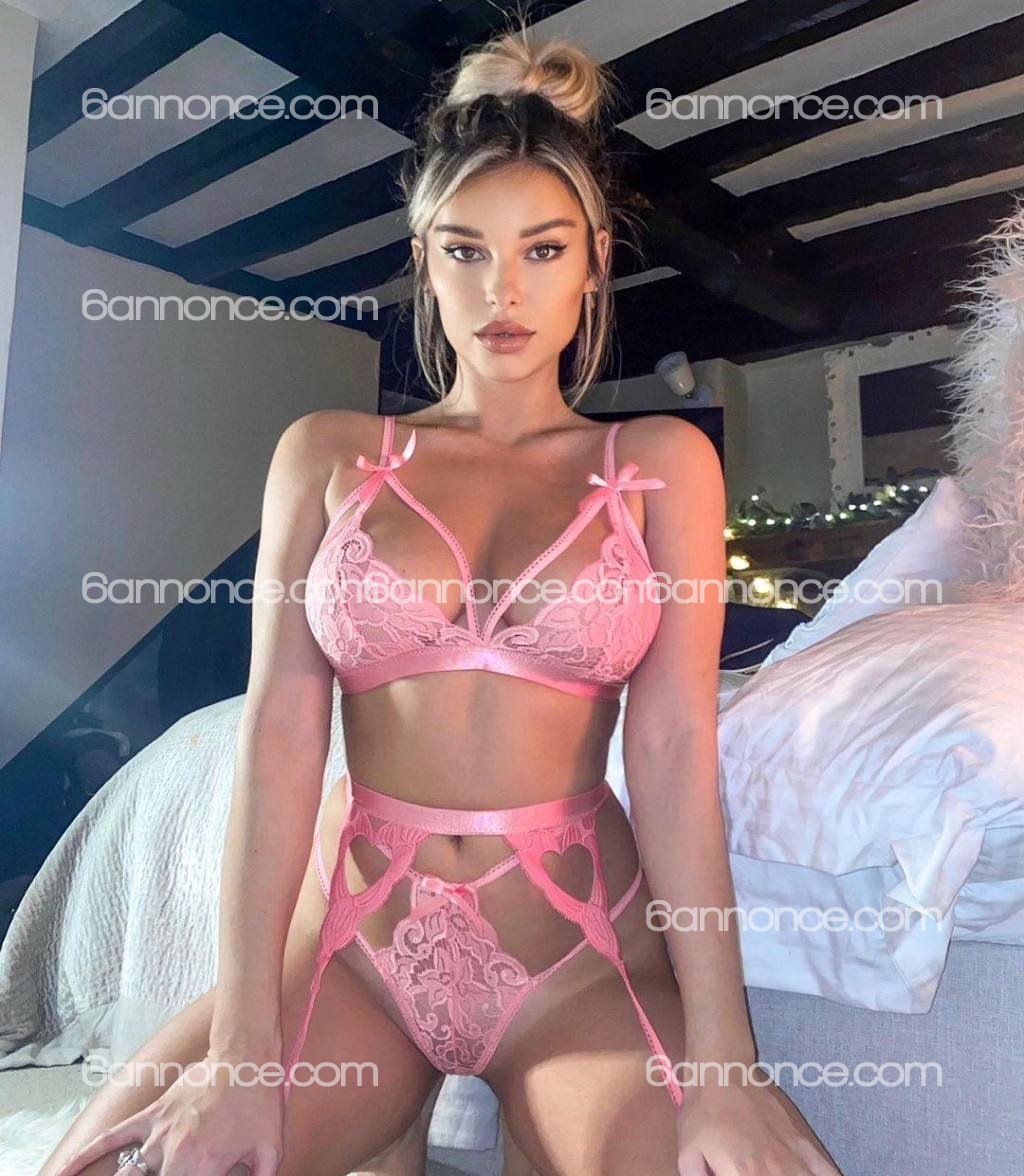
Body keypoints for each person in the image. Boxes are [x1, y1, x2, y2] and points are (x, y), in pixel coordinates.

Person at [44, 24, 840, 1176]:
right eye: (465, 251)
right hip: (351, 955)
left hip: (576, 964)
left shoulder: (663, 463)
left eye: (541, 249)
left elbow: (673, 748)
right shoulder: (326, 453)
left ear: (595, 260)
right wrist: (242, 1047)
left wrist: (726, 1064)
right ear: (424, 260)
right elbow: (277, 734)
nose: (501, 290)